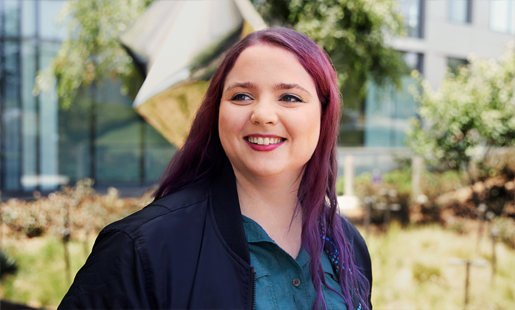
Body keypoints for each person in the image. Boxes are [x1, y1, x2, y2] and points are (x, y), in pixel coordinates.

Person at [59, 27, 372, 310]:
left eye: (289, 97)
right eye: (241, 96)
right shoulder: (140, 249)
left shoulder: (347, 246)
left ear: (324, 114)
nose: (263, 114)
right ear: (217, 112)